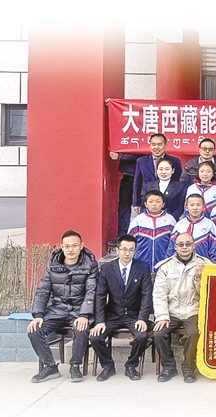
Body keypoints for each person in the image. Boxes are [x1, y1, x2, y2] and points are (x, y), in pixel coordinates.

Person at [28, 230, 98, 383]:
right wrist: (38, 315)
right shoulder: (53, 264)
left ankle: (75, 366)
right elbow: (42, 291)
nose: (70, 250)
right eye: (67, 246)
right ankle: (50, 366)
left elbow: (91, 291)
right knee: (34, 329)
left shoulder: (90, 264)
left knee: (81, 328)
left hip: (79, 310)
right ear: (62, 247)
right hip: (57, 309)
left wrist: (84, 315)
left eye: (74, 246)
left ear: (81, 246)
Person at [89, 235, 153, 381]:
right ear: (117, 250)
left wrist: (142, 318)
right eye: (124, 249)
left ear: (135, 251)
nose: (127, 253)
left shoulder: (142, 267)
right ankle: (108, 366)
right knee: (95, 337)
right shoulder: (107, 268)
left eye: (131, 250)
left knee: (142, 336)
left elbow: (146, 295)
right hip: (112, 315)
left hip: (134, 315)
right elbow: (100, 296)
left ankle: (131, 366)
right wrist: (100, 321)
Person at [152, 232, 211, 383]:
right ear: (175, 247)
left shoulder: (204, 264)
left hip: (193, 309)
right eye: (181, 244)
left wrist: (198, 278)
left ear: (193, 245)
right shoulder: (165, 266)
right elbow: (159, 294)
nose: (184, 247)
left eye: (188, 244)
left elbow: (208, 293)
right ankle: (168, 367)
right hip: (172, 310)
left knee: (194, 332)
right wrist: (162, 316)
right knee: (159, 333)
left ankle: (188, 368)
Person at [132, 133, 183, 216]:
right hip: (149, 201)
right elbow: (137, 182)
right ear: (150, 145)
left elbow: (178, 182)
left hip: (169, 203)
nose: (156, 147)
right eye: (153, 144)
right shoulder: (141, 161)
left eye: (159, 144)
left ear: (165, 145)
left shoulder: (175, 161)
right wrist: (136, 202)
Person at [127, 190, 177, 272]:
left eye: (158, 202)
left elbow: (174, 243)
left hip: (164, 265)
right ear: (145, 204)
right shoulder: (138, 221)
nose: (154, 204)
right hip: (140, 265)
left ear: (163, 204)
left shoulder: (170, 221)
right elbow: (129, 243)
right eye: (151, 201)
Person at [167, 194, 216, 262]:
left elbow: (214, 249)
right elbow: (171, 247)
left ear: (203, 207)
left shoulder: (209, 225)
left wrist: (213, 265)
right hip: (180, 264)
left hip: (202, 264)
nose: (195, 208)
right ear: (186, 207)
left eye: (198, 205)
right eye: (192, 205)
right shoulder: (179, 225)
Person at [109, 150, 139, 237]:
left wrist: (120, 156)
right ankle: (122, 236)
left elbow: (143, 151)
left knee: (144, 206)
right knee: (124, 206)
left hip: (142, 175)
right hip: (128, 175)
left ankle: (141, 235)